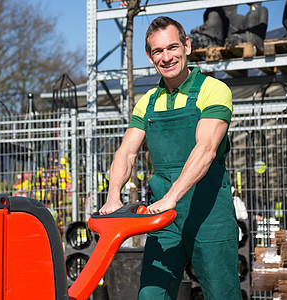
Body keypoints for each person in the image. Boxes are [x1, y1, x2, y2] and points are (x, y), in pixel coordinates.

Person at [99, 16, 241, 299]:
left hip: (209, 214)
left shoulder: (214, 90)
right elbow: (127, 151)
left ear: (187, 46)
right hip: (164, 220)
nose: (166, 57)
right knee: (151, 295)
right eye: (158, 51)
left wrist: (172, 196)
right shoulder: (147, 101)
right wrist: (113, 195)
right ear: (150, 56)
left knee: (222, 294)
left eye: (172, 47)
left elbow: (206, 149)